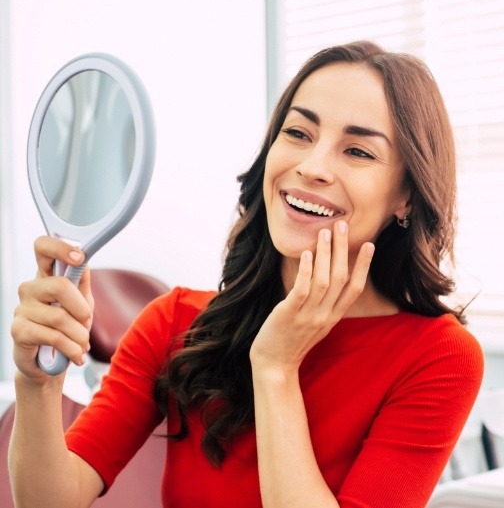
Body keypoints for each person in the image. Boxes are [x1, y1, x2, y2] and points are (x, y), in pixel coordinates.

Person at [9, 41, 484, 508]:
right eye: (298, 133)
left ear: (406, 196)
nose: (312, 167)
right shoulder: (174, 322)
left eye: (358, 151)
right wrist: (38, 387)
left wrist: (276, 368)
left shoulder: (439, 359)